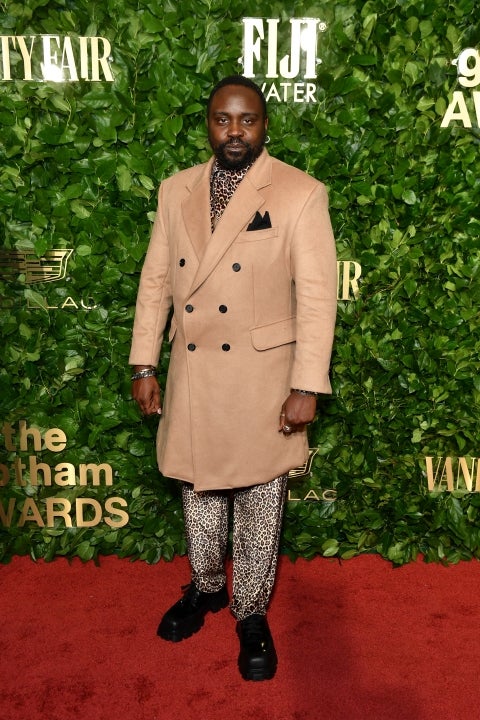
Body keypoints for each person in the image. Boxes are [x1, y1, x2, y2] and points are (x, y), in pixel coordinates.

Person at [129, 75, 337, 681]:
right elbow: (156, 283)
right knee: (198, 491)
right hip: (195, 370)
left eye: (247, 120)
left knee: (259, 500)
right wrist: (144, 364)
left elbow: (317, 298)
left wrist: (307, 384)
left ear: (265, 125)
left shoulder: (300, 193)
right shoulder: (176, 190)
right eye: (223, 119)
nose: (235, 131)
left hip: (263, 377)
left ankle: (251, 611)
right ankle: (206, 586)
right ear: (208, 125)